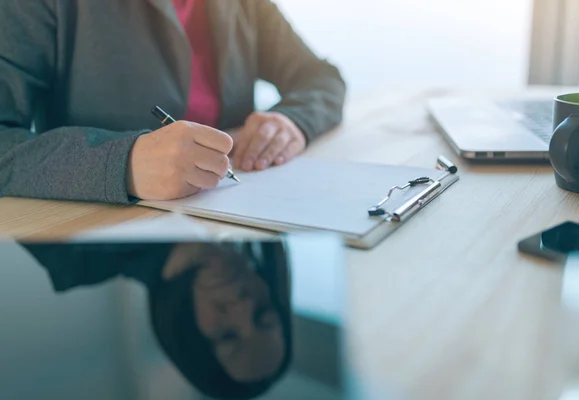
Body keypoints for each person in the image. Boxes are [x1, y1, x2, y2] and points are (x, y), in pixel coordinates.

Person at [0, 0, 346, 203]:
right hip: (98, 239)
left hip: (228, 222)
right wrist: (122, 163)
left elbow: (319, 76)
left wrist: (294, 121)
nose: (240, 306)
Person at [24, 240, 293, 399]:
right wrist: (296, 139)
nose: (244, 306)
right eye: (263, 313)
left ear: (189, 338)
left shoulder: (77, 257)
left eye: (227, 335)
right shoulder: (248, 219)